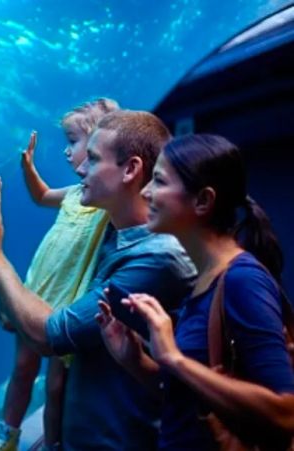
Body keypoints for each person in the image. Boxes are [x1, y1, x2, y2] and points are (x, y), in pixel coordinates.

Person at [0, 110, 196, 450]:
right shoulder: (110, 234)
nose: (79, 169)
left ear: (131, 169)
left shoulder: (156, 257)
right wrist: (14, 301)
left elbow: (52, 335)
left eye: (91, 159)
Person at [96, 134, 294, 450]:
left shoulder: (243, 280)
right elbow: (189, 399)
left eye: (159, 181)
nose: (145, 192)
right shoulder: (206, 279)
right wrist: (135, 361)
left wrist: (174, 358)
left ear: (202, 201)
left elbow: (286, 414)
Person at [0, 98, 117, 451]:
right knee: (23, 369)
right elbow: (41, 196)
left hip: (68, 304)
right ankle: (7, 435)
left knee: (57, 385)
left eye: (73, 142)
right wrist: (27, 166)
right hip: (37, 289)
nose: (67, 152)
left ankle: (54, 444)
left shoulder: (104, 200)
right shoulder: (74, 193)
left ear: (99, 142)